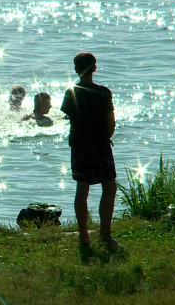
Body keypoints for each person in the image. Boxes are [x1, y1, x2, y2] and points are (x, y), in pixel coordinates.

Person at [60, 52, 119, 250]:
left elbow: (69, 116)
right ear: (94, 68)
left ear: (76, 69)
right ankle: (105, 235)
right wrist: (107, 136)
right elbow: (111, 122)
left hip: (78, 145)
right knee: (109, 187)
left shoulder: (71, 91)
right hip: (100, 144)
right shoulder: (104, 92)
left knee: (82, 189)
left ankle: (84, 237)